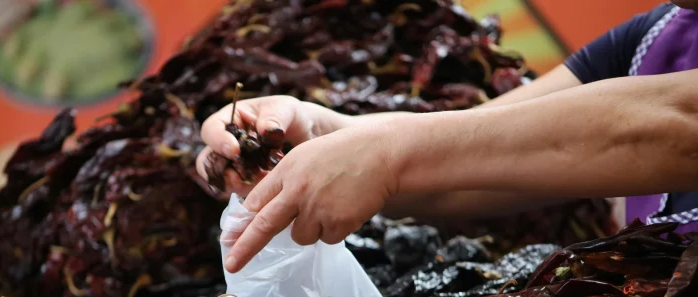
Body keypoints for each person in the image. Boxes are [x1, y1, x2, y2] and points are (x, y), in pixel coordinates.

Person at [196, 2, 698, 274]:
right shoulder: (654, 37)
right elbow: (481, 162)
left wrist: (388, 154)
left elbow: (657, 129)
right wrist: (319, 131)